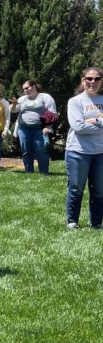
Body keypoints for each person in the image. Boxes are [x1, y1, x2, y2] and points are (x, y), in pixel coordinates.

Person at [63, 67, 103, 229]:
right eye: (89, 78)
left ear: (101, 81)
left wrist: (95, 122)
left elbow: (85, 124)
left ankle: (96, 223)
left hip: (100, 152)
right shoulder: (75, 102)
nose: (92, 82)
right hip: (77, 152)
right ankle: (72, 221)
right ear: (83, 80)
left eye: (97, 79)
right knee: (76, 188)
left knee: (99, 191)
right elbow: (78, 127)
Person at [10, 80, 57, 174]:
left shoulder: (45, 97)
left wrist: (47, 126)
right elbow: (13, 110)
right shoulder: (23, 99)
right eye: (23, 89)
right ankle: (29, 172)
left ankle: (44, 172)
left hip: (39, 129)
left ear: (34, 86)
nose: (25, 91)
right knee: (25, 150)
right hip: (23, 128)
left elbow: (52, 113)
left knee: (41, 150)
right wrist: (14, 105)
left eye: (27, 88)